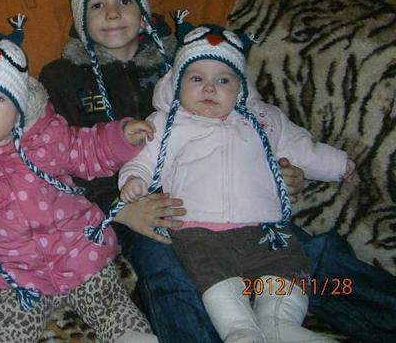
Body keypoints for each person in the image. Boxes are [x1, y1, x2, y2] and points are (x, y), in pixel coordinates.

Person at [38, 0, 396, 343]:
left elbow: (251, 116)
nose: (112, 13)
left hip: (233, 200)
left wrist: (277, 168)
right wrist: (121, 209)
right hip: (144, 212)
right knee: (169, 269)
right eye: (97, 5)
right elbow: (53, 162)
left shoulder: (189, 61)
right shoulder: (62, 78)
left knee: (312, 252)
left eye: (124, 0)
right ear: (78, 18)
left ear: (144, 9)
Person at [0, 15, 158, 343]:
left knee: (116, 311)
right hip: (12, 280)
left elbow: (86, 148)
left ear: (20, 105)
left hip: (81, 254)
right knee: (8, 332)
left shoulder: (45, 136)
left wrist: (121, 137)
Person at [114, 17, 354, 342]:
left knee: (287, 276)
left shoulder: (263, 119)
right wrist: (134, 180)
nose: (209, 88)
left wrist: (338, 164)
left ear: (241, 87)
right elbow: (143, 158)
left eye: (224, 80)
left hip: (267, 231)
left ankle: (282, 327)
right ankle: (242, 333)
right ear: (177, 84)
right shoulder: (169, 124)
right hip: (200, 234)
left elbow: (301, 147)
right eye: (196, 78)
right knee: (220, 294)